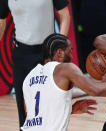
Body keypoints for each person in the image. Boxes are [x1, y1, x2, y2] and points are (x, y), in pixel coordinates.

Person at [21, 33, 106, 131]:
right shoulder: (65, 68)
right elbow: (95, 89)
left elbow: (32, 115)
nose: (72, 56)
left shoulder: (29, 77)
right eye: (70, 51)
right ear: (59, 53)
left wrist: (69, 110)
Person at [0, 0, 70, 129]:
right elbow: (1, 20)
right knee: (24, 110)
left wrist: (59, 45)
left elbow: (65, 14)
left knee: (49, 109)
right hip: (21, 55)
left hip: (46, 54)